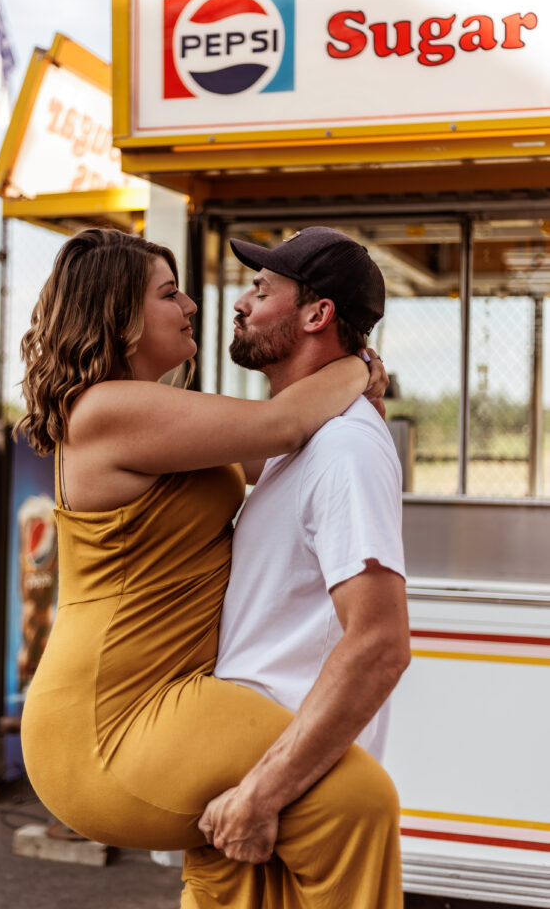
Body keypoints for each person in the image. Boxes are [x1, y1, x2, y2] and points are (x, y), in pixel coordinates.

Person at [18, 226, 399, 909]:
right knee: (358, 801)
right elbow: (280, 429)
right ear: (119, 316)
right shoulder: (105, 409)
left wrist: (342, 389)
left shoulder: (174, 427)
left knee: (243, 848)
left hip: (171, 700)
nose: (192, 305)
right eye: (169, 294)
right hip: (109, 720)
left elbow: (288, 454)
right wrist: (354, 367)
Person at [181, 227, 411, 907]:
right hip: (247, 784)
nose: (240, 303)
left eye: (261, 289)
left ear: (316, 315)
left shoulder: (344, 451)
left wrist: (263, 792)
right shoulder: (300, 439)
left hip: (289, 799)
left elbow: (377, 643)